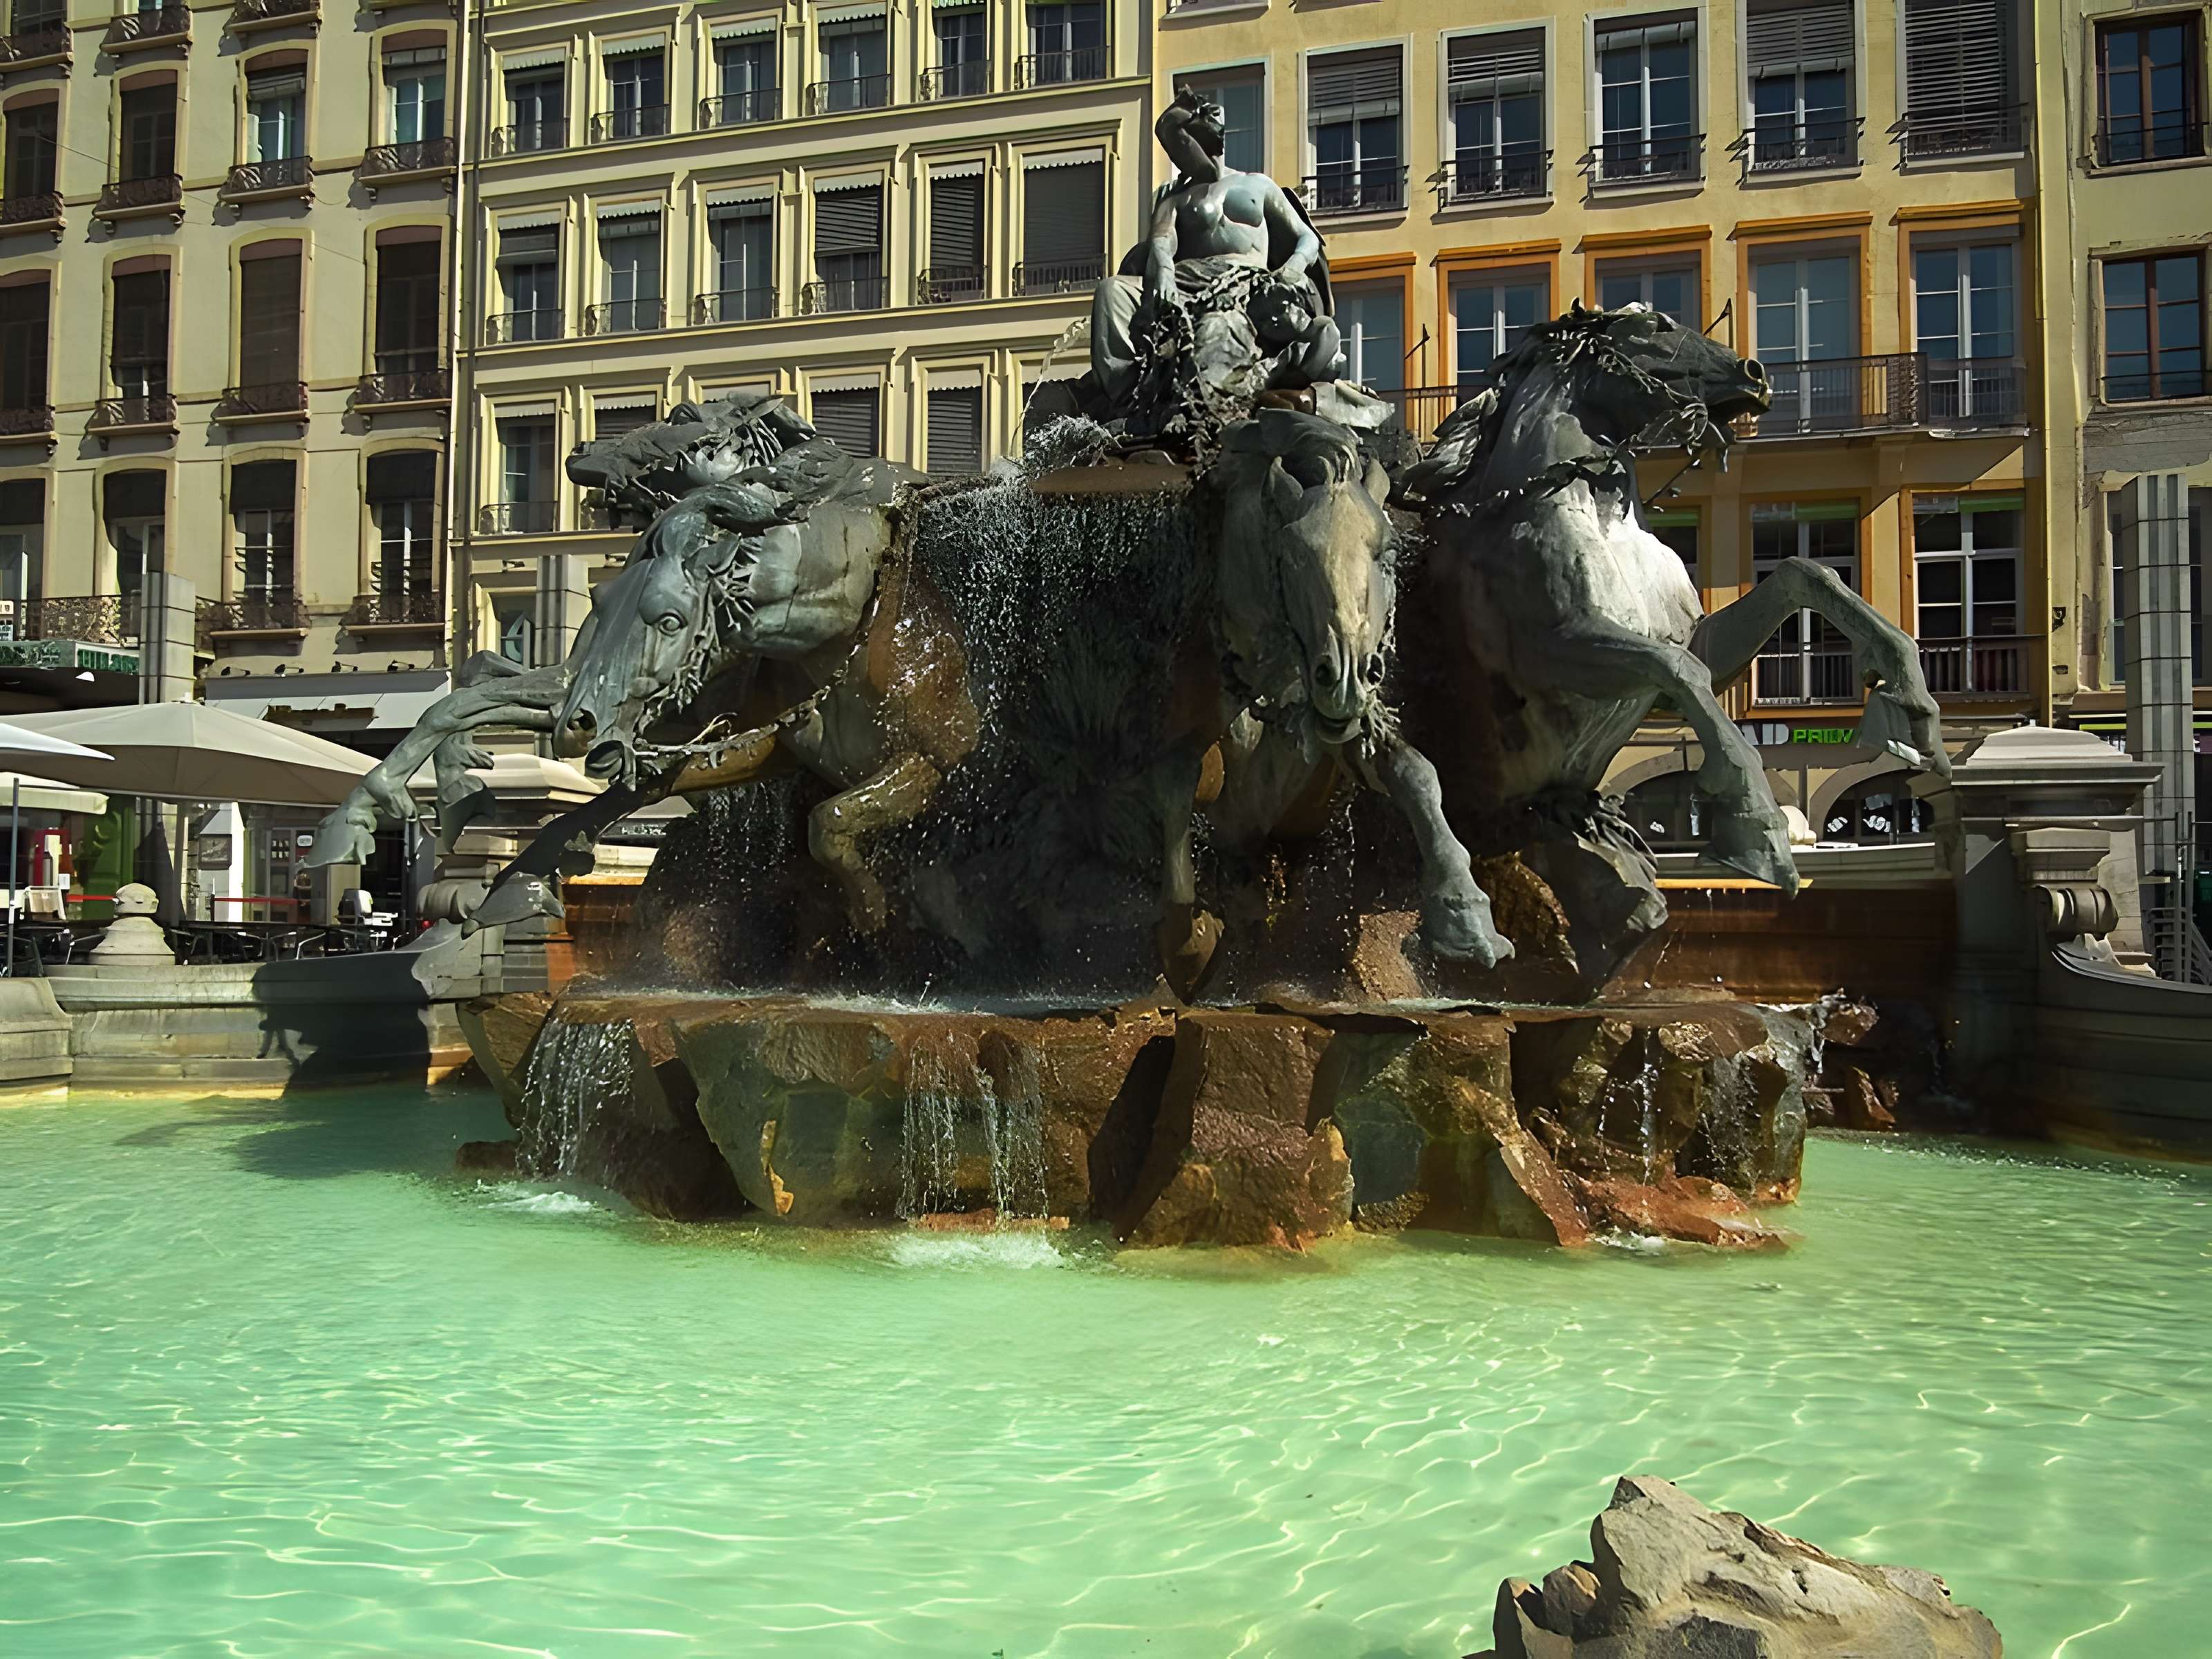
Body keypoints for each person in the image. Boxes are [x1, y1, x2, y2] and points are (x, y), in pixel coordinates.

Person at [1090, 88, 1342, 411]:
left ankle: (1231, 393)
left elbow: (1306, 237)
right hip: (1187, 280)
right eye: (1175, 144)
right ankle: (1126, 394)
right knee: (1112, 291)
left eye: (1183, 140)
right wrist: (1164, 274)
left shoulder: (1257, 184)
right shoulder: (1175, 199)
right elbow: (1161, 242)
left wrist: (1293, 268)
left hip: (1246, 282)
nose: (1180, 150)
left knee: (1217, 326)